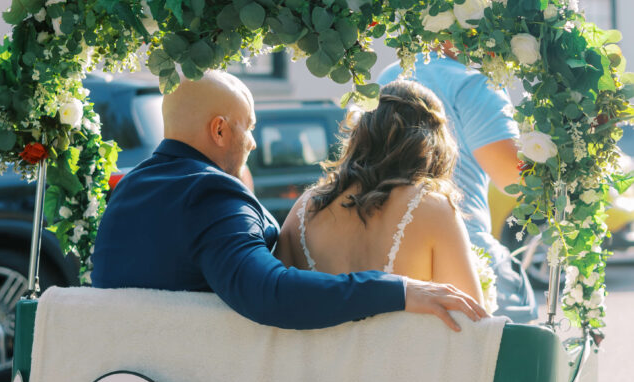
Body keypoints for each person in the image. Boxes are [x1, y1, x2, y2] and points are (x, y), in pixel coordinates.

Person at [91, 70, 486, 331]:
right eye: (250, 128)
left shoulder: (127, 191)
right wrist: (398, 290)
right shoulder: (211, 193)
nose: (253, 143)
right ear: (219, 130)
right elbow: (269, 293)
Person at [277, 78, 483, 305]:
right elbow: (471, 318)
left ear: (361, 133)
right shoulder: (433, 209)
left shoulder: (305, 208)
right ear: (432, 141)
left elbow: (278, 299)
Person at [378, 48, 537, 322]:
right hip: (463, 247)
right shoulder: (474, 83)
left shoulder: (389, 75)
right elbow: (514, 181)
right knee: (523, 320)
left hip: (383, 254)